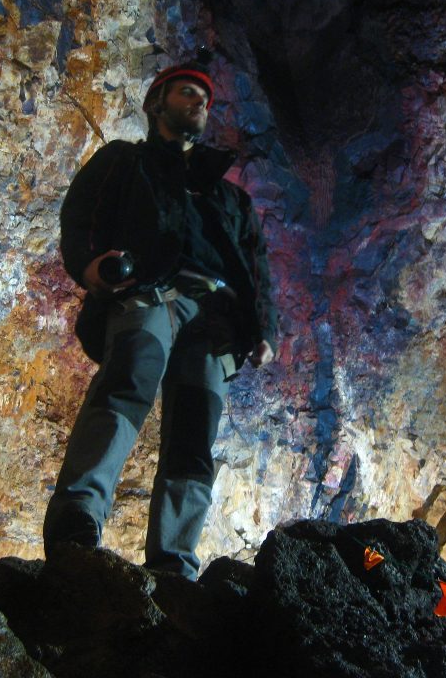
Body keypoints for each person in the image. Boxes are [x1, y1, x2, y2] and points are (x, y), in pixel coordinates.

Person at [44, 59, 277, 580]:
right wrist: (91, 265)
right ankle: (77, 520)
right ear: (156, 103)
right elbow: (81, 214)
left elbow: (257, 265)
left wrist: (265, 329)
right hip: (149, 292)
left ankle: (175, 564)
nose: (200, 103)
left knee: (195, 435)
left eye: (205, 98)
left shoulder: (230, 197)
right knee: (126, 387)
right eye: (188, 93)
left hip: (215, 320)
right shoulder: (125, 162)